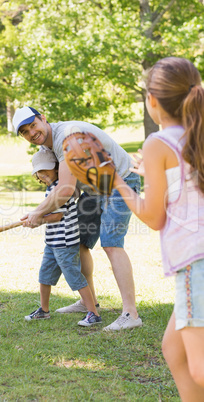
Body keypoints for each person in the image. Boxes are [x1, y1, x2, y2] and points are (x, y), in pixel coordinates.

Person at [110, 57, 204, 400]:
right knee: (174, 350)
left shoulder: (158, 142)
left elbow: (153, 217)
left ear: (152, 100)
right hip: (197, 260)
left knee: (200, 367)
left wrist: (118, 181)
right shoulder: (196, 135)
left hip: (197, 262)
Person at [12, 106, 142, 331]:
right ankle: (88, 302)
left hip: (121, 181)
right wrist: (43, 215)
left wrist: (37, 212)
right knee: (79, 241)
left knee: (111, 244)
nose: (31, 133)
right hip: (95, 190)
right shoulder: (48, 146)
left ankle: (131, 313)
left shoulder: (67, 136)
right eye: (25, 132)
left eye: (33, 125)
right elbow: (70, 189)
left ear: (43, 118)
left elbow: (64, 189)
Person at [23, 148, 102, 327]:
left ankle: (93, 312)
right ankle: (43, 310)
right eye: (39, 172)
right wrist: (34, 216)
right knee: (44, 276)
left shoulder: (63, 188)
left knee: (74, 277)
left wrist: (38, 219)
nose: (42, 175)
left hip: (65, 242)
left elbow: (57, 216)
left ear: (57, 168)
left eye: (46, 170)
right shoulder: (52, 189)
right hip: (52, 242)